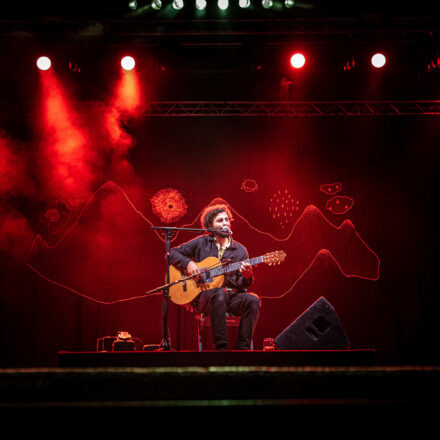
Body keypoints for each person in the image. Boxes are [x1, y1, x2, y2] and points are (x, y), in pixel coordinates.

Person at [169, 204, 261, 350]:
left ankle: (242, 349)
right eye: (219, 221)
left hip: (231, 298)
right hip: (205, 297)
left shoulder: (240, 250)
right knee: (220, 293)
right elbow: (172, 253)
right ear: (209, 226)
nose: (225, 223)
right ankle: (221, 348)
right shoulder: (201, 242)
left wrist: (247, 276)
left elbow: (241, 285)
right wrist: (188, 263)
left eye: (226, 220)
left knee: (253, 300)